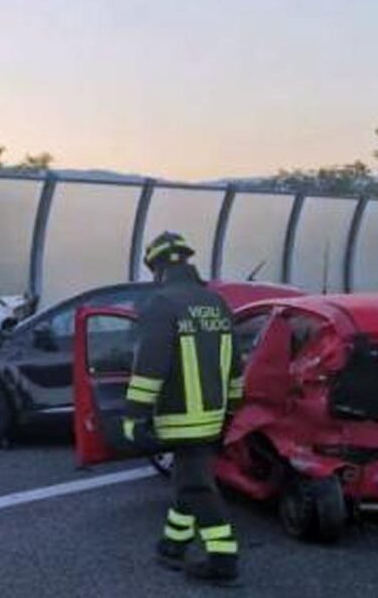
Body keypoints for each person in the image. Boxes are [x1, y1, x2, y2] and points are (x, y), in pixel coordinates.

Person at [123, 231, 243, 586]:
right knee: (188, 479)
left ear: (157, 268)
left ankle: (223, 559)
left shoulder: (161, 304)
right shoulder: (217, 303)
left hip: (179, 418)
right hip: (215, 415)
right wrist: (233, 412)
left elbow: (150, 367)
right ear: (187, 261)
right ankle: (173, 546)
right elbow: (236, 366)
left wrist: (134, 416)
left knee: (196, 488)